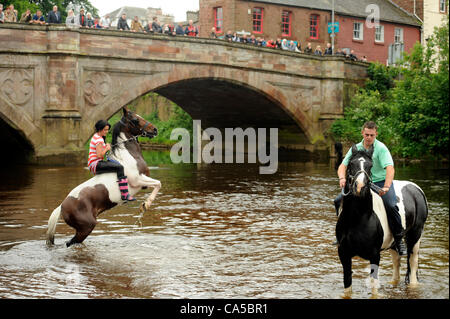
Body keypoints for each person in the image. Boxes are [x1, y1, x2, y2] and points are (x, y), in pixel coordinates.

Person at [334, 121, 407, 255]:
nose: (369, 137)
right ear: (362, 133)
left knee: (391, 205)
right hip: (361, 183)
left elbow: (390, 169)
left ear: (376, 134)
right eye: (366, 134)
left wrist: (386, 186)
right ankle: (342, 234)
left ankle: (398, 240)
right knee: (338, 200)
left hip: (379, 183)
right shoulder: (356, 148)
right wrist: (342, 178)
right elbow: (343, 166)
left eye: (372, 135)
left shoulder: (381, 148)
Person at [88, 120, 136, 202]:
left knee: (116, 164)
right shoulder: (99, 140)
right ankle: (125, 194)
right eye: (105, 130)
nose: (107, 132)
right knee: (120, 167)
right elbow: (99, 155)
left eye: (107, 130)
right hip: (96, 164)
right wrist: (106, 149)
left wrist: (105, 147)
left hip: (94, 163)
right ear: (100, 129)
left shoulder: (96, 136)